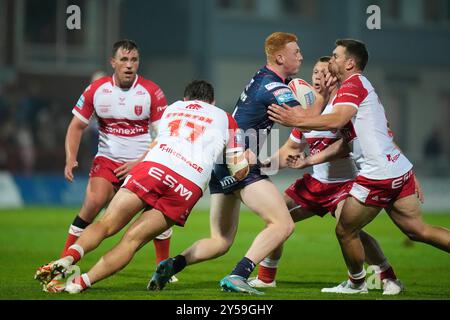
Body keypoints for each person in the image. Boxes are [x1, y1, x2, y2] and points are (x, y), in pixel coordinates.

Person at [148, 32, 332, 295]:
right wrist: (323, 95)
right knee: (283, 224)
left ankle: (173, 264)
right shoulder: (273, 86)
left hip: (222, 163)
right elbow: (305, 119)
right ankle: (238, 275)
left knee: (220, 241)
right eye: (296, 52)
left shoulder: (264, 77)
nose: (301, 56)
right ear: (280, 57)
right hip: (239, 162)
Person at [267, 39, 450, 294]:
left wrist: (296, 118)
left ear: (349, 62)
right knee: (418, 230)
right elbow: (383, 134)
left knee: (345, 230)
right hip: (397, 169)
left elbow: (337, 120)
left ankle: (356, 284)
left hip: (377, 176)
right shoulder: (356, 88)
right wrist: (409, 172)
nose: (330, 61)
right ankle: (387, 279)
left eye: (335, 56)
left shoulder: (352, 85)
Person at [34, 80, 250, 293]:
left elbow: (157, 141)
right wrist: (251, 163)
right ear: (213, 102)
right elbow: (238, 169)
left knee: (107, 223)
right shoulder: (226, 118)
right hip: (187, 183)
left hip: (154, 168)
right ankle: (78, 284)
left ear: (186, 99)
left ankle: (68, 258)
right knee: (132, 241)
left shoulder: (173, 108)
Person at [248, 56, 403, 295]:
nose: (318, 77)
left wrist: (310, 159)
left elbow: (350, 144)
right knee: (276, 215)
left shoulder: (344, 107)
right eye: (315, 73)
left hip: (345, 184)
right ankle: (267, 278)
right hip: (315, 184)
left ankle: (386, 277)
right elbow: (290, 151)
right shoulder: (308, 113)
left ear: (335, 75)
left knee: (352, 230)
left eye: (324, 72)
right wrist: (259, 165)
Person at [60, 39, 176, 280]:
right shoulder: (96, 90)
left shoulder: (151, 92)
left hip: (143, 162)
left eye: (133, 60)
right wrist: (71, 157)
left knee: (157, 212)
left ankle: (162, 267)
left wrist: (139, 162)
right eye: (123, 60)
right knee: (94, 202)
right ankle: (64, 261)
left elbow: (163, 136)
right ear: (113, 62)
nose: (129, 65)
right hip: (108, 159)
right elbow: (76, 126)